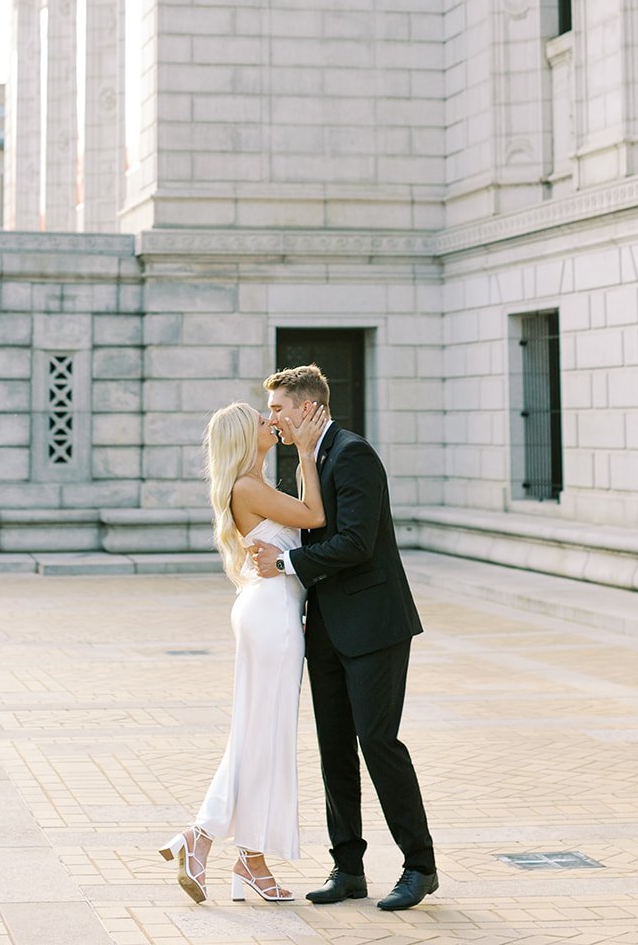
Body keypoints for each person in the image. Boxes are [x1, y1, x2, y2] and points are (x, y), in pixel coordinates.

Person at [251, 363, 438, 912]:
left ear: (311, 408)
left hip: (375, 627)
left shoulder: (354, 453)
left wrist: (286, 562)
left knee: (378, 742)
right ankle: (348, 869)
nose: (273, 419)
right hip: (327, 630)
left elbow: (357, 541)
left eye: (280, 409)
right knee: (334, 749)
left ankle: (420, 866)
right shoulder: (308, 458)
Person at [159, 397, 329, 904]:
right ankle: (218, 843)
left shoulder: (254, 484)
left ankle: (234, 853)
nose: (271, 422)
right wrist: (304, 451)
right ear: (245, 436)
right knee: (263, 736)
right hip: (271, 615)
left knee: (258, 736)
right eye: (262, 420)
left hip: (268, 609)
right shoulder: (250, 487)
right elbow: (315, 517)